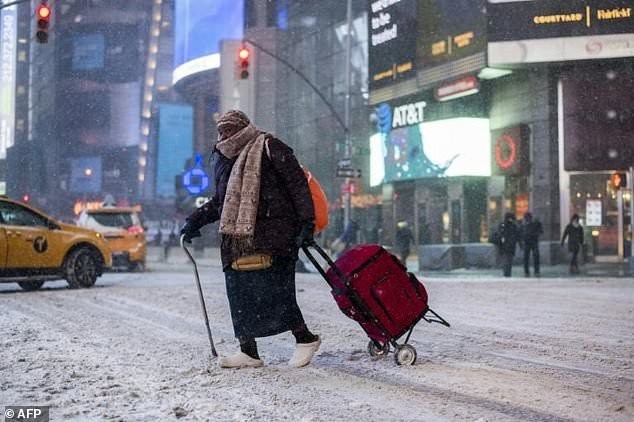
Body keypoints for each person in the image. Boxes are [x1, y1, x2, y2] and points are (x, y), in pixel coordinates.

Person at [180, 110, 320, 369]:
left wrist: (306, 224)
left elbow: (297, 186)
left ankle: (305, 338)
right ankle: (248, 351)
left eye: (230, 129)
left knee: (277, 291)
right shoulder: (223, 158)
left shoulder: (268, 146)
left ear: (243, 127)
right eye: (221, 131)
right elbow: (221, 202)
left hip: (275, 235)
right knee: (239, 293)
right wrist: (194, 220)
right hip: (237, 238)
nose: (225, 135)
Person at [493, 212, 521, 277]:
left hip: (504, 246)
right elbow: (517, 236)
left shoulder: (503, 225)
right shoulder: (513, 226)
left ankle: (506, 272)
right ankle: (507, 273)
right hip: (509, 246)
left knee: (506, 260)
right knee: (508, 260)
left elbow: (499, 234)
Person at [521, 212, 543, 277]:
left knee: (532, 257)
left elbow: (540, 231)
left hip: (532, 242)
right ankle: (530, 272)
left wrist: (535, 234)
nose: (526, 220)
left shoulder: (534, 224)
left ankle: (533, 272)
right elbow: (520, 233)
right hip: (529, 242)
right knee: (527, 258)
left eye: (527, 218)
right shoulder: (524, 225)